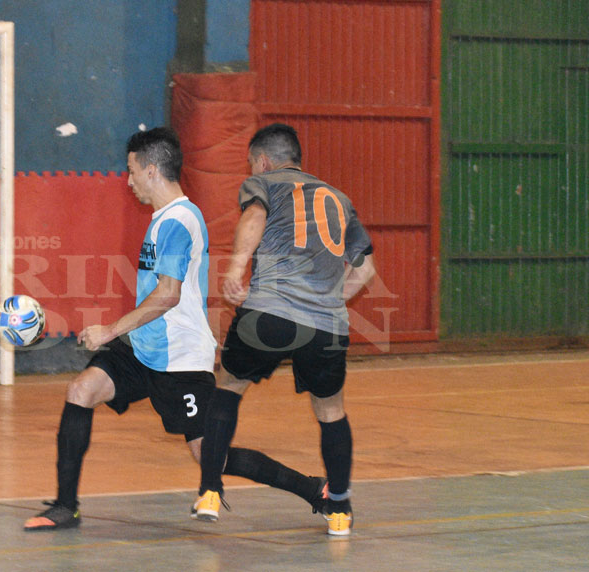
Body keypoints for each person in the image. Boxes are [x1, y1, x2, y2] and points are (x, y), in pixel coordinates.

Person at [23, 127, 327, 532]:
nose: (128, 181)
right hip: (144, 347)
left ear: (151, 170)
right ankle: (65, 506)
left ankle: (314, 489)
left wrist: (109, 331)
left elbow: (168, 295)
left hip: (180, 359)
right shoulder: (163, 219)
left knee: (212, 457)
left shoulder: (179, 221)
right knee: (81, 390)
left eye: (132, 171)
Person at [191, 123, 376, 536]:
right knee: (331, 411)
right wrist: (328, 301)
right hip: (326, 327)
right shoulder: (340, 200)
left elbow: (255, 216)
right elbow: (365, 270)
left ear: (263, 161)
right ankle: (340, 510)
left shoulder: (264, 183)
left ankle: (210, 490)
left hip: (269, 313)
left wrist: (235, 269)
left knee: (228, 387)